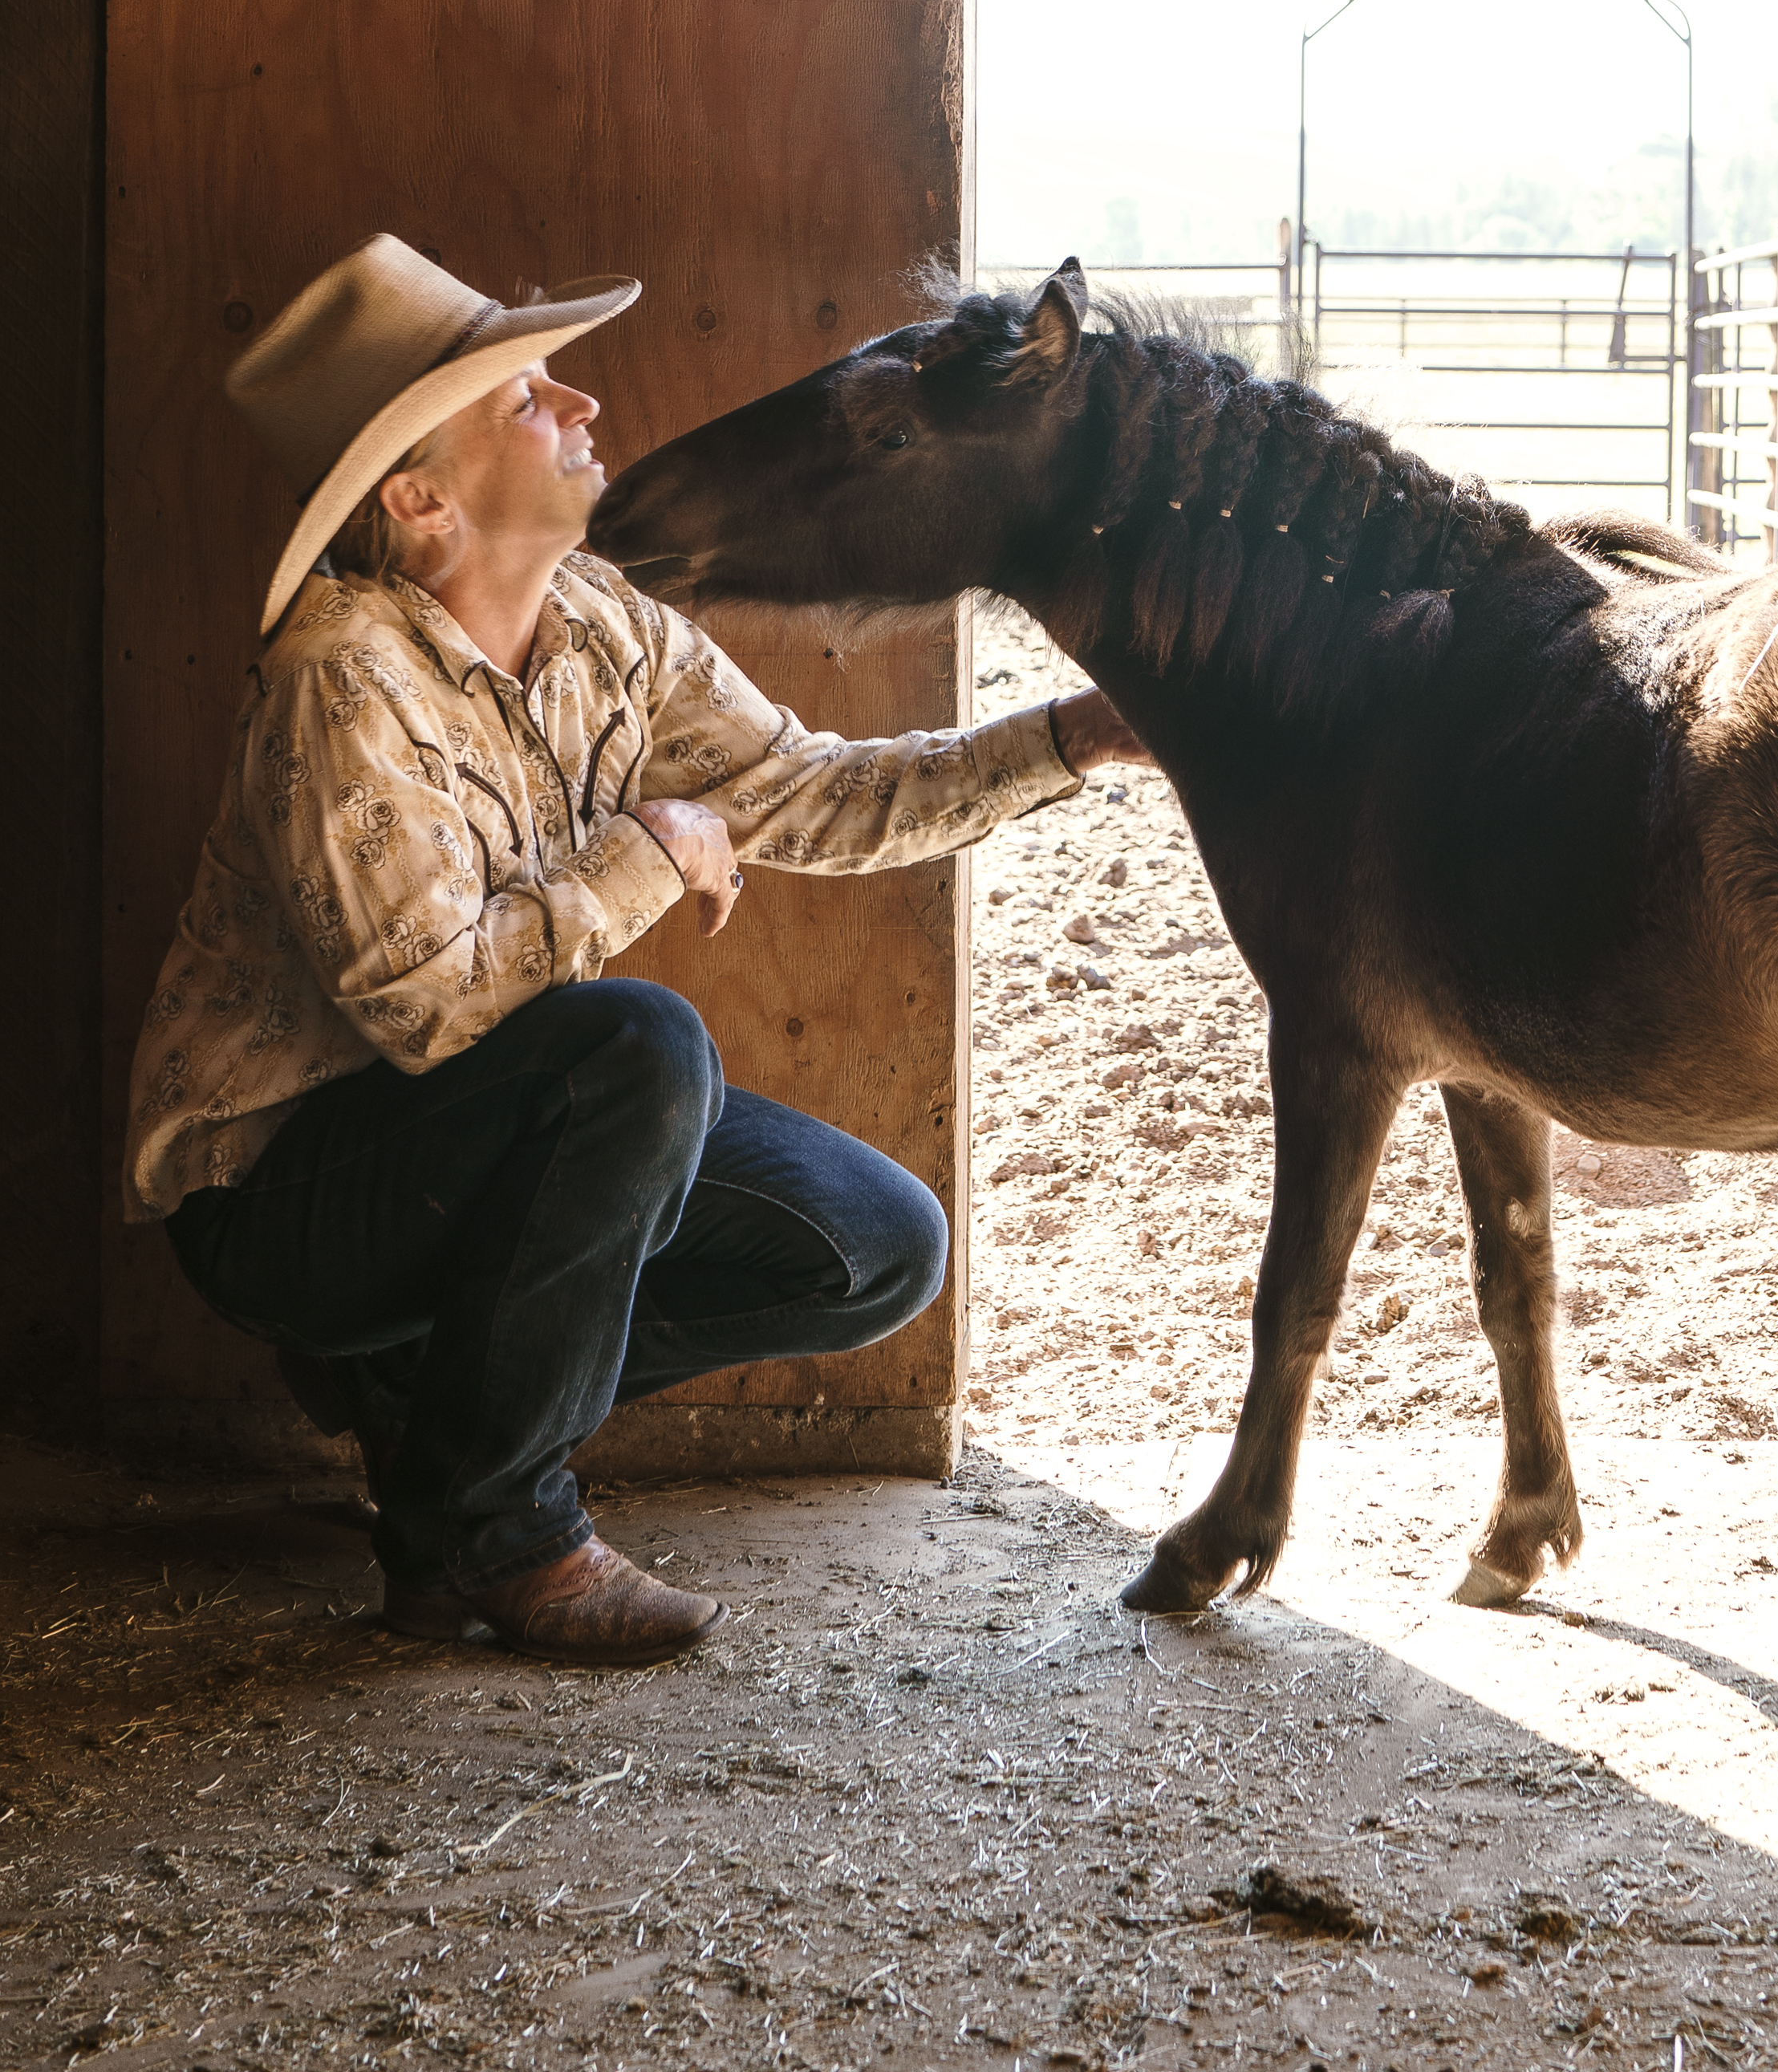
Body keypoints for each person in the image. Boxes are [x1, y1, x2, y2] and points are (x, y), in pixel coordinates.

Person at [123, 234, 1137, 1668]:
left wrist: (1071, 740)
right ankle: (498, 1532)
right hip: (286, 1186)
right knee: (639, 1047)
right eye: (528, 398)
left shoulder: (605, 625)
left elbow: (816, 794)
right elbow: (423, 1011)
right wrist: (646, 854)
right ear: (419, 500)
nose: (583, 408)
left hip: (480, 1142)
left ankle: (426, 1405)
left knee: (876, 1249)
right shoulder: (340, 676)